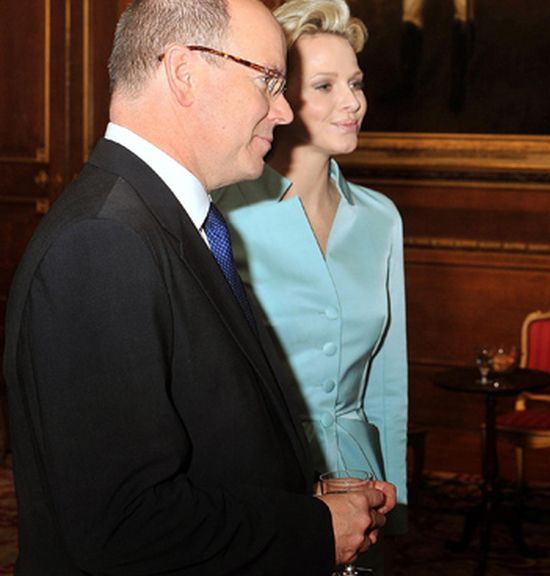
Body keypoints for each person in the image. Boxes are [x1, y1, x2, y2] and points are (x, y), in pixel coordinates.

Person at [2, 0, 395, 573]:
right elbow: (121, 523)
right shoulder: (102, 242)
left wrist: (298, 500)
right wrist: (310, 529)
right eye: (269, 81)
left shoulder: (165, 220)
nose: (284, 112)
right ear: (185, 72)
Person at [212, 0, 408, 532]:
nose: (353, 102)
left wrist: (397, 494)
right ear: (277, 95)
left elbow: (386, 383)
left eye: (357, 83)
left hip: (362, 483)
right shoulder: (222, 215)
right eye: (325, 86)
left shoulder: (380, 218)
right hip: (259, 483)